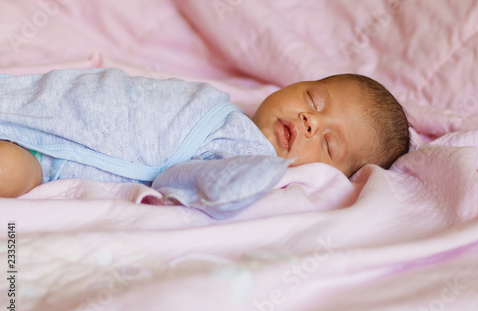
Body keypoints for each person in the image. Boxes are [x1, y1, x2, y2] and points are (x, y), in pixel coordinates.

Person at [0, 69, 409, 202]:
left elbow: (191, 183)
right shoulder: (215, 103)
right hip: (64, 104)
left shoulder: (252, 162)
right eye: (314, 100)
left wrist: (253, 181)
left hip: (51, 163)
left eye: (327, 143)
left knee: (12, 172)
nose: (309, 121)